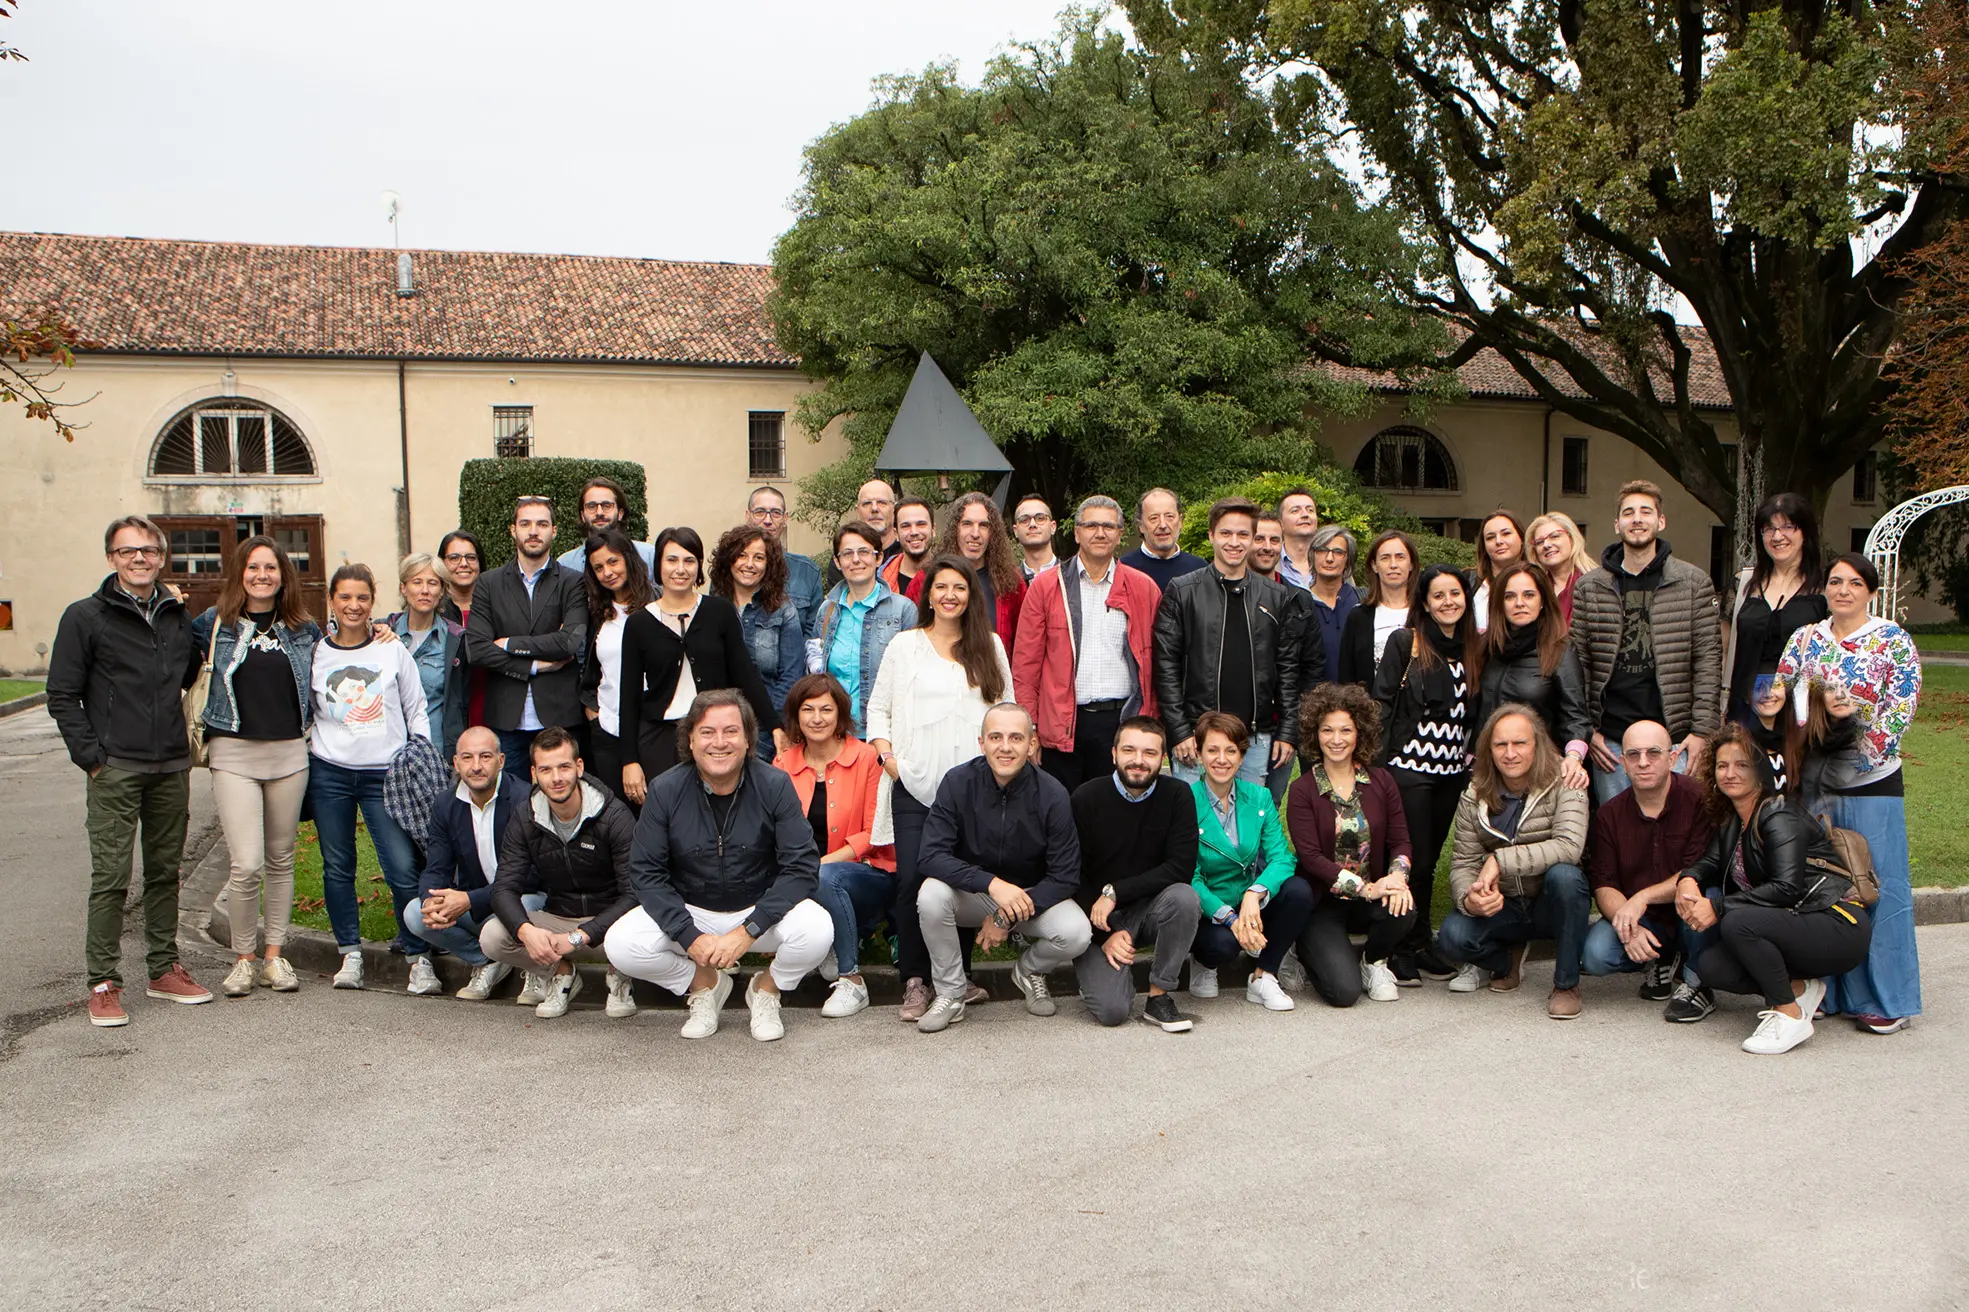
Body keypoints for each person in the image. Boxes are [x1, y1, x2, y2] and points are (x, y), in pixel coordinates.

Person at [49, 515, 213, 1026]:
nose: (139, 558)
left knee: (166, 872)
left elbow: (187, 673)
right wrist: (92, 758)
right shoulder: (85, 616)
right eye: (127, 551)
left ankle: (164, 970)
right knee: (112, 876)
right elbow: (62, 694)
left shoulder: (175, 615)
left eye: (148, 550)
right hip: (115, 767)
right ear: (111, 559)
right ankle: (103, 981)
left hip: (170, 764)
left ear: (161, 557)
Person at [605, 691, 833, 1041]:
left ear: (747, 740)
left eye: (731, 731)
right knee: (621, 944)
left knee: (818, 929)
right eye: (707, 732)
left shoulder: (775, 785)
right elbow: (646, 873)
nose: (719, 743)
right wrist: (688, 936)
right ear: (691, 740)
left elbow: (802, 866)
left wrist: (749, 930)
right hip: (694, 911)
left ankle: (767, 991)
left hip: (759, 911)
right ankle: (706, 986)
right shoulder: (665, 790)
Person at [1777, 552, 1922, 1034]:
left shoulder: (1891, 641)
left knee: (1875, 882)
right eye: (1835, 581)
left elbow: (1899, 709)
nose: (1842, 590)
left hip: (1872, 781)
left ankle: (1885, 996)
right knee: (1821, 880)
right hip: (1813, 785)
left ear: (1871, 591)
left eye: (1854, 583)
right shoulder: (1805, 639)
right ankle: (1825, 988)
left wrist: (1849, 760)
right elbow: (1786, 696)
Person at [866, 556, 1015, 1022]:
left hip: (974, 791)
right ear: (927, 594)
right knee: (913, 879)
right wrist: (890, 761)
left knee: (961, 880)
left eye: (960, 587)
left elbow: (1007, 710)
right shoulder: (904, 646)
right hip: (914, 784)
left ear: (972, 596)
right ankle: (915, 980)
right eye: (942, 587)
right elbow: (878, 709)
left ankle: (958, 978)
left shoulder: (988, 646)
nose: (950, 595)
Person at [1671, 725, 1872, 1055]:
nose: (1730, 773)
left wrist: (1717, 907)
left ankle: (1789, 1015)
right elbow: (1709, 861)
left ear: (1760, 770)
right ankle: (1799, 988)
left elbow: (1787, 888)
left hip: (1837, 923)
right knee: (1711, 966)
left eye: (1741, 765)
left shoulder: (1779, 813)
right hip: (1796, 924)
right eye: (1722, 765)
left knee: (1738, 922)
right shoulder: (1733, 818)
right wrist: (1688, 880)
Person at [191, 535, 320, 999]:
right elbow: (177, 664)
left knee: (281, 859)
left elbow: (337, 663)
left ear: (284, 575)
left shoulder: (304, 628)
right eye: (253, 567)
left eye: (271, 568)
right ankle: (243, 959)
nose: (262, 575)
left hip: (289, 753)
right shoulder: (214, 624)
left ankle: (273, 956)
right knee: (246, 863)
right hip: (234, 753)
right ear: (239, 573)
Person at [914, 704, 1093, 1033]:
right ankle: (951, 993)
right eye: (995, 737)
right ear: (981, 743)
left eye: (1016, 737)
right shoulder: (957, 783)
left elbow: (1066, 875)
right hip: (975, 892)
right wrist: (991, 884)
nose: (1005, 747)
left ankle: (1030, 970)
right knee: (930, 895)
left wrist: (1005, 916)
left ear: (1032, 744)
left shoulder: (1053, 794)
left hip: (1031, 898)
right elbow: (929, 856)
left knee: (1077, 933)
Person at [307, 563, 431, 991]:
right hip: (331, 773)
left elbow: (417, 707)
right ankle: (350, 954)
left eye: (362, 597)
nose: (354, 606)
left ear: (372, 600)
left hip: (387, 774)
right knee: (338, 866)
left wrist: (418, 751)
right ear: (332, 601)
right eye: (345, 597)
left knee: (400, 867)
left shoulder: (390, 649)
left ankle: (418, 957)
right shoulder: (316, 653)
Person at [1571, 479, 1722, 806]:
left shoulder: (1693, 583)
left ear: (1660, 521)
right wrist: (1587, 730)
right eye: (1628, 513)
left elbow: (1708, 661)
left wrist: (1702, 733)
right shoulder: (1590, 587)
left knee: (1676, 834)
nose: (1637, 519)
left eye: (1645, 512)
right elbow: (1578, 663)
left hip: (1676, 737)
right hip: (1611, 740)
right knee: (1620, 834)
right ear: (1617, 524)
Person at [1435, 705, 1591, 1018]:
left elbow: (1568, 847)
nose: (1510, 753)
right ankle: (1507, 959)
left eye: (1519, 743)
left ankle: (1565, 985)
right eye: (1500, 745)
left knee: (1566, 876)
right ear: (1488, 750)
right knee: (1452, 937)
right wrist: (1470, 898)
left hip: (1549, 901)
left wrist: (1500, 860)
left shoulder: (1566, 780)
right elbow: (1463, 862)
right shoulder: (1474, 794)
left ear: (1537, 744)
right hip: (1503, 903)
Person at [480, 727, 641, 1020]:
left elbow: (634, 893)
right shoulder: (525, 817)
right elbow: (503, 888)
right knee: (493, 936)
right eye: (546, 769)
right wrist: (526, 932)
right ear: (534, 773)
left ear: (579, 767)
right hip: (559, 919)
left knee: (643, 928)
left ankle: (620, 976)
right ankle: (561, 974)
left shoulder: (614, 815)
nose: (556, 778)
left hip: (614, 925)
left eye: (564, 766)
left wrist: (581, 936)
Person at [1153, 496, 1307, 788]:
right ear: (1211, 535)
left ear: (1251, 539)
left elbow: (1287, 669)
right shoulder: (1183, 591)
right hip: (1196, 737)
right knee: (1196, 824)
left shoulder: (1275, 596)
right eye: (1226, 533)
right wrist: (1178, 730)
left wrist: (1288, 731)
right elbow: (1165, 667)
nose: (1234, 542)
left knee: (1247, 828)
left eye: (1242, 534)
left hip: (1254, 738)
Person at [617, 526, 780, 803]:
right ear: (658, 565)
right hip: (659, 738)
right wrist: (629, 760)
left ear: (699, 566)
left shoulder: (719, 612)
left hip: (716, 734)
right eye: (672, 560)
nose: (680, 569)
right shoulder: (638, 623)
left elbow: (745, 674)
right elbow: (628, 696)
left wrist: (775, 726)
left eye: (689, 560)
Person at [1370, 563, 1475, 985]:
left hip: (1451, 773)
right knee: (1412, 857)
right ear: (1425, 604)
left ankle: (1419, 942)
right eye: (1438, 596)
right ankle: (1399, 946)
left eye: (1455, 593)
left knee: (1428, 861)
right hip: (1409, 770)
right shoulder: (1406, 643)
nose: (1448, 602)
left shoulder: (1472, 648)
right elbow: (1380, 703)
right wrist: (1380, 768)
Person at [1012, 494, 1161, 792]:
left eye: (1109, 526)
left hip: (1120, 723)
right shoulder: (1046, 586)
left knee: (1111, 817)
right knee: (1059, 815)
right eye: (1091, 525)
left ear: (1120, 534)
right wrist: (1030, 729)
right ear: (1077, 532)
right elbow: (1025, 666)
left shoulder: (1143, 588)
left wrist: (1152, 724)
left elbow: (1155, 664)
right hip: (1062, 723)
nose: (1100, 532)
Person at [1285, 684, 1418, 1006]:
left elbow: (1400, 840)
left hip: (1370, 898)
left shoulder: (1381, 781)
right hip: (1324, 903)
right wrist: (1365, 888)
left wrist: (1397, 878)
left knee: (1404, 904)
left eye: (1346, 730)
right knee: (1344, 994)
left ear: (1360, 733)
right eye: (1327, 730)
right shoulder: (1303, 790)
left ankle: (1374, 961)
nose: (1336, 739)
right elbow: (1311, 857)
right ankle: (1303, 947)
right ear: (1314, 734)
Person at [773, 673, 894, 1019]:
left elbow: (874, 832)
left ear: (841, 714)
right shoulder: (783, 764)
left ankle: (851, 979)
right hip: (805, 873)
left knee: (826, 876)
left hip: (868, 872)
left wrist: (821, 863)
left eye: (826, 709)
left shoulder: (868, 757)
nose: (816, 718)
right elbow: (774, 832)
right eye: (807, 709)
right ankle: (827, 939)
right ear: (796, 717)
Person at [1069, 716, 1201, 1031]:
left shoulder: (1178, 795)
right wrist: (1106, 934)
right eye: (1129, 750)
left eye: (1149, 753)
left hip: (1151, 910)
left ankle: (1159, 995)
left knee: (1185, 898)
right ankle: (1104, 977)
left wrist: (1115, 892)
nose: (1138, 761)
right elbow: (1071, 873)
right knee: (1113, 1011)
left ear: (1163, 758)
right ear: (1113, 753)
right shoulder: (1085, 798)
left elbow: (1179, 867)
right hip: (1096, 918)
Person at [403, 727, 551, 1003]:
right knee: (415, 914)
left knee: (523, 908)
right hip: (481, 907)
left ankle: (534, 967)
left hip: (528, 899)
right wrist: (430, 901)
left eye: (485, 757)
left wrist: (469, 899)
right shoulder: (446, 804)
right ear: (456, 763)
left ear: (501, 760)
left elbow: (531, 876)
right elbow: (436, 868)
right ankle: (488, 961)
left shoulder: (525, 800)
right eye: (467, 758)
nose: (476, 767)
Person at [1581, 720, 1714, 1002]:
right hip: (1645, 919)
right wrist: (1629, 928)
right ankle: (1660, 957)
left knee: (1706, 898)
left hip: (1687, 910)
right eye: (1633, 755)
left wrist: (1642, 897)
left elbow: (1700, 870)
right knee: (1596, 955)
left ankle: (1696, 982)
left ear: (1672, 758)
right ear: (1622, 763)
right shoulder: (1609, 815)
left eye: (1653, 753)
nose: (1643, 762)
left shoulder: (1699, 799)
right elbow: (1604, 884)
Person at [1186, 711, 1309, 1010]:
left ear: (1242, 757)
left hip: (1248, 903)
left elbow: (1281, 857)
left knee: (1299, 890)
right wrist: (1230, 918)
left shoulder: (1260, 797)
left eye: (1231, 751)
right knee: (1223, 945)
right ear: (1199, 754)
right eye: (1212, 750)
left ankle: (1263, 974)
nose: (1221, 759)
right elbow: (1190, 875)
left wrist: (1256, 893)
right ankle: (1203, 963)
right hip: (1210, 911)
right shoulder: (1185, 801)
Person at [463, 497, 587, 780]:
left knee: (563, 799)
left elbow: (569, 642)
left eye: (542, 524)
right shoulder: (488, 583)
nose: (534, 531)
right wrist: (536, 665)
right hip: (507, 720)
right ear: (512, 530)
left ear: (553, 531)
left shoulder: (572, 582)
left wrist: (508, 643)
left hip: (560, 716)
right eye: (525, 524)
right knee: (511, 805)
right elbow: (478, 650)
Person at [1472, 563, 1590, 789]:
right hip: (1490, 771)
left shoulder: (1559, 650)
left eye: (1528, 595)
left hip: (1539, 772)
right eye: (1509, 596)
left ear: (1543, 601)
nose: (1519, 603)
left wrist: (1574, 758)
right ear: (1499, 603)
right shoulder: (1486, 648)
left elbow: (1575, 715)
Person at [1725, 492, 1827, 727]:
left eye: (1787, 527)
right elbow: (1723, 647)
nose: (1777, 536)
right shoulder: (1742, 584)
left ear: (1805, 532)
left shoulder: (1824, 588)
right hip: (1745, 708)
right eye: (1768, 529)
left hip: (1801, 711)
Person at [810, 522, 916, 737]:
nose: (856, 560)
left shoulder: (903, 610)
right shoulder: (827, 611)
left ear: (878, 558)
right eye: (847, 554)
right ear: (837, 562)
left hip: (884, 733)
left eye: (864, 552)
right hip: (835, 732)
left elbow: (913, 679)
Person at [709, 524, 804, 760]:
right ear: (728, 560)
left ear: (769, 565)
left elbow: (791, 677)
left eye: (758, 557)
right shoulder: (710, 609)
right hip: (716, 727)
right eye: (741, 555)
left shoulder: (783, 611)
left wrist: (766, 723)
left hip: (767, 730)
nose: (749, 564)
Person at [577, 528, 655, 804]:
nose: (607, 572)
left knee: (654, 810)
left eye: (613, 562)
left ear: (628, 560)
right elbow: (587, 666)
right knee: (616, 813)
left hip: (653, 729)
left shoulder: (658, 604)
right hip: (607, 728)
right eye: (598, 567)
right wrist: (593, 714)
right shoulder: (596, 611)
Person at [904, 491, 1027, 652]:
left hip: (992, 675)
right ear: (955, 529)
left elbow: (1024, 644)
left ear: (993, 533)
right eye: (967, 524)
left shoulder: (1011, 583)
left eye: (984, 525)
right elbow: (910, 641)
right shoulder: (925, 580)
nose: (975, 534)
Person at [389, 553, 468, 759]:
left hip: (435, 751)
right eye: (417, 582)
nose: (425, 590)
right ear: (403, 588)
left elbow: (461, 701)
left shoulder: (455, 639)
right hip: (387, 750)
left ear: (442, 590)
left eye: (432, 583)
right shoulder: (385, 632)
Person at [1338, 530, 1416, 687]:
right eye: (1385, 558)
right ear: (1374, 565)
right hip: (1370, 708)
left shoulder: (1426, 613)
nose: (1393, 565)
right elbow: (1347, 679)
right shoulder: (1359, 616)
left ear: (1411, 564)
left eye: (1400, 557)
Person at [745, 485, 824, 638]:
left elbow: (813, 635)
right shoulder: (729, 569)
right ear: (748, 515)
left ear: (785, 518)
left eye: (775, 513)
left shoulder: (808, 572)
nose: (767, 520)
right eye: (760, 512)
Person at [436, 528, 490, 728]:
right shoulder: (433, 614)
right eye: (454, 557)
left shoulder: (497, 607)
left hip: (490, 704)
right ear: (442, 564)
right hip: (448, 712)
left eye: (470, 557)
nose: (464, 564)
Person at [555, 476, 654, 572]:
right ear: (582, 516)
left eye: (607, 506)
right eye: (591, 506)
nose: (599, 513)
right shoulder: (566, 564)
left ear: (620, 513)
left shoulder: (648, 556)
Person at [1301, 524, 1360, 685]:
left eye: (1338, 552)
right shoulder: (1298, 604)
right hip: (1311, 703)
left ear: (1348, 559)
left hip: (1356, 703)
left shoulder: (1361, 602)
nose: (1329, 558)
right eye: (1321, 550)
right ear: (1312, 555)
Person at [1125, 487, 1208, 590]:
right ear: (1141, 525)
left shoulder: (1199, 569)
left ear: (1180, 521)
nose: (1163, 525)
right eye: (1154, 518)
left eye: (1169, 516)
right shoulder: (1124, 569)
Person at [825, 477, 904, 587]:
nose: (874, 509)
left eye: (882, 502)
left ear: (894, 509)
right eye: (867, 503)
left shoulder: (906, 554)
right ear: (857, 511)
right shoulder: (845, 559)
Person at [1525, 512, 1593, 627]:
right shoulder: (1534, 588)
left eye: (1555, 536)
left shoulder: (1596, 583)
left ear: (1571, 539)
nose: (1546, 545)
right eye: (1540, 542)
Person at [1469, 510, 1526, 635]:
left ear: (1521, 538)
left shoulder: (1539, 579)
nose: (1498, 541)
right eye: (1490, 537)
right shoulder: (1469, 581)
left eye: (1506, 534)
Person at [879, 495, 936, 595]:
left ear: (933, 529)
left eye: (921, 524)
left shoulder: (951, 575)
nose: (914, 532)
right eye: (906, 526)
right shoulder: (879, 583)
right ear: (896, 533)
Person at [1273, 486, 1322, 591]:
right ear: (1280, 523)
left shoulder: (1333, 560)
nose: (1305, 515)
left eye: (1310, 510)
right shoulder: (1268, 561)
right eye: (1295, 511)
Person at [1012, 494, 1060, 582]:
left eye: (1040, 518)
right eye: (1024, 520)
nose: (1032, 524)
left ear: (1053, 527)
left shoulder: (1071, 576)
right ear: (1016, 531)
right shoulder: (1010, 583)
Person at [1249, 510, 1285, 581]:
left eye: (1274, 540)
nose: (1267, 547)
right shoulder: (1225, 591)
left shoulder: (1295, 592)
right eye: (1259, 539)